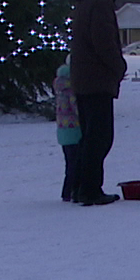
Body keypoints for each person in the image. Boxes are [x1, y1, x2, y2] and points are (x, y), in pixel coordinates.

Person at [68, 0, 128, 205]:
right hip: (96, 78)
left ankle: (79, 186)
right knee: (99, 137)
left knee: (89, 135)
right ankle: (90, 189)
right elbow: (103, 41)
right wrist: (119, 66)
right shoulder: (101, 2)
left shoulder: (85, 1)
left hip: (84, 78)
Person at [53, 62, 80, 201]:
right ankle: (71, 191)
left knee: (69, 163)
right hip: (74, 130)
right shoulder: (71, 90)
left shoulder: (60, 88)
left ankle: (67, 191)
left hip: (63, 132)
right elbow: (77, 109)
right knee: (75, 164)